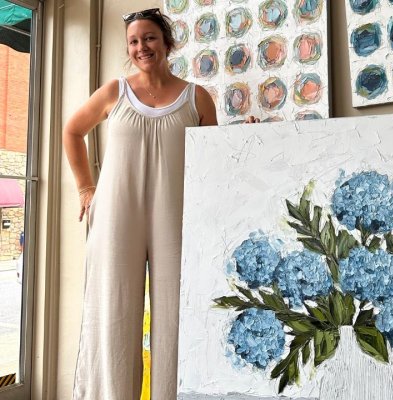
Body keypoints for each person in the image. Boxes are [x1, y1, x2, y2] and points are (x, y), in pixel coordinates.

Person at [63, 8, 258, 399]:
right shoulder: (114, 92)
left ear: (167, 43)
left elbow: (212, 158)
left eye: (149, 38)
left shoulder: (196, 97)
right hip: (117, 216)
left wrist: (243, 140)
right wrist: (86, 188)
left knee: (176, 314)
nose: (141, 47)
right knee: (113, 313)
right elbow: (72, 131)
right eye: (134, 41)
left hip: (177, 216)